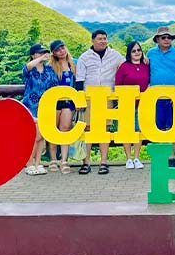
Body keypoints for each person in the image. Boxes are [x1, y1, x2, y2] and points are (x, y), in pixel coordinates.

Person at [74, 30, 124, 175]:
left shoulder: (115, 55)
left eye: (105, 38)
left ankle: (103, 162)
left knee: (104, 130)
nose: (103, 41)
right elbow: (79, 79)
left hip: (107, 97)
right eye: (99, 39)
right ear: (92, 41)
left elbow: (127, 65)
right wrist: (80, 99)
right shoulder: (85, 57)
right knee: (87, 129)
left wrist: (144, 59)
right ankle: (86, 162)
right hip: (89, 98)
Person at [147, 26, 175, 167]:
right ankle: (160, 155)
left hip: (172, 95)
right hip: (156, 95)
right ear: (157, 39)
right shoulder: (150, 53)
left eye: (169, 37)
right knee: (158, 125)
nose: (167, 40)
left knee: (172, 126)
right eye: (163, 37)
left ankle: (172, 156)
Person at [22, 43, 58, 176]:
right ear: (33, 55)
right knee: (33, 136)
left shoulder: (49, 70)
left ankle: (38, 162)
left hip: (45, 106)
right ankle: (29, 163)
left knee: (41, 137)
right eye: (40, 52)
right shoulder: (30, 69)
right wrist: (39, 59)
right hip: (30, 106)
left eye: (45, 52)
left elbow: (55, 86)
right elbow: (26, 68)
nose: (43, 54)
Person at [114, 41, 149, 170]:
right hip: (126, 103)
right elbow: (118, 84)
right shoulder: (124, 66)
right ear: (129, 53)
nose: (137, 53)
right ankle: (128, 158)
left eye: (138, 50)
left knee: (138, 130)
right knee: (127, 131)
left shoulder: (146, 65)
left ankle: (137, 157)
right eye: (133, 51)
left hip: (142, 104)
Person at [47, 39, 76, 174]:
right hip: (54, 100)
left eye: (62, 48)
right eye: (58, 50)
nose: (61, 51)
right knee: (53, 130)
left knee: (65, 128)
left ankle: (64, 160)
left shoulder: (73, 63)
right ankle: (53, 159)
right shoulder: (51, 66)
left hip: (69, 101)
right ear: (54, 53)